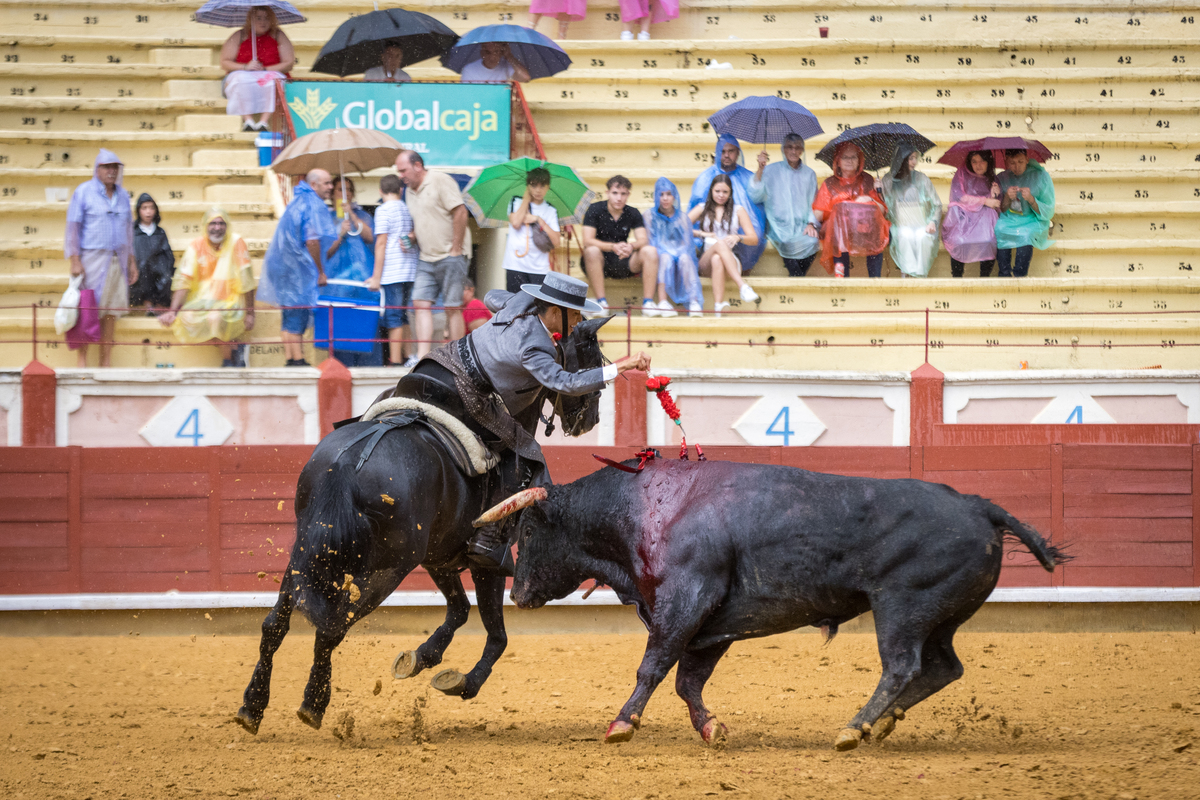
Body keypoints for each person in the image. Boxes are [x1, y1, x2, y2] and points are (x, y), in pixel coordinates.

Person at [391, 271, 650, 571]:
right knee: (529, 453)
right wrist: (621, 366)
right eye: (575, 314)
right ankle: (487, 539)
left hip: (440, 362)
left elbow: (491, 297)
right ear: (554, 312)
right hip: (469, 393)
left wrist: (512, 302)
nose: (578, 321)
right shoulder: (536, 346)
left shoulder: (522, 302)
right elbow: (564, 383)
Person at [64, 149, 138, 367]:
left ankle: (105, 362)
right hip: (91, 259)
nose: (112, 171)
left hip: (118, 259)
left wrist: (132, 261)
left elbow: (128, 231)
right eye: (107, 167)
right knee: (87, 309)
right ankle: (82, 361)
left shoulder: (123, 195)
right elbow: (73, 228)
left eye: (115, 167)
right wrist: (75, 260)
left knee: (111, 312)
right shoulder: (84, 192)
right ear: (97, 169)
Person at [396, 150, 471, 360]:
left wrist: (455, 248)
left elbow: (461, 211)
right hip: (426, 257)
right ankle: (422, 356)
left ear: (418, 165)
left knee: (452, 307)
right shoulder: (409, 190)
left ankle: (458, 357)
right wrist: (412, 237)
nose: (401, 175)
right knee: (419, 302)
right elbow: (425, 220)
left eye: (403, 170)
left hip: (451, 255)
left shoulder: (440, 180)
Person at [158, 208, 256, 367]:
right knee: (187, 318)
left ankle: (228, 360)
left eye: (221, 223)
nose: (217, 228)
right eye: (213, 223)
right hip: (203, 300)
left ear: (227, 225)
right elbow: (184, 280)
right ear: (205, 225)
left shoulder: (236, 242)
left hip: (230, 299)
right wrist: (172, 311)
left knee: (215, 318)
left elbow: (247, 280)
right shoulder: (196, 245)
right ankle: (235, 347)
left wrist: (251, 313)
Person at [259, 169, 336, 366]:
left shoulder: (297, 201)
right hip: (297, 271)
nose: (331, 187)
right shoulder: (312, 205)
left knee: (288, 314)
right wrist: (320, 271)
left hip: (282, 268)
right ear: (314, 185)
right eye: (326, 183)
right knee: (297, 312)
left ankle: (291, 358)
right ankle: (297, 359)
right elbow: (312, 241)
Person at [580, 175, 667, 317]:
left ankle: (648, 303)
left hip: (623, 259)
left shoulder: (632, 212)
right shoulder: (595, 209)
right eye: (615, 193)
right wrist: (612, 247)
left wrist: (631, 247)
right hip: (598, 261)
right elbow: (587, 240)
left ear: (628, 195)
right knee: (591, 250)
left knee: (650, 251)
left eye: (623, 194)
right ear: (607, 193)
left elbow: (643, 239)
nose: (619, 198)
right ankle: (601, 302)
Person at [322, 177, 382, 366]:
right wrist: (339, 233)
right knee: (341, 335)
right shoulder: (325, 218)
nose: (344, 194)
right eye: (340, 190)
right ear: (332, 194)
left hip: (361, 283)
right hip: (336, 285)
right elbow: (325, 252)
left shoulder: (363, 215)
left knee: (365, 330)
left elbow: (371, 237)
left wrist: (352, 217)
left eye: (348, 190)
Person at [688, 134, 767, 274]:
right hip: (711, 234)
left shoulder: (746, 175)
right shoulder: (706, 177)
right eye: (723, 151)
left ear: (737, 153)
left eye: (731, 151)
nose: (726, 155)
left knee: (756, 231)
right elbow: (695, 204)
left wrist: (760, 170)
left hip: (738, 227)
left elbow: (758, 195)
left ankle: (743, 270)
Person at [812, 142, 889, 277]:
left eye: (853, 157)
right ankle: (842, 276)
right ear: (838, 161)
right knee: (840, 227)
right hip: (837, 230)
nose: (849, 161)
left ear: (859, 160)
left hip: (863, 228)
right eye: (845, 157)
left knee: (877, 229)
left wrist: (871, 198)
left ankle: (875, 277)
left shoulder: (867, 180)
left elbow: (882, 211)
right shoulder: (829, 183)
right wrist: (841, 208)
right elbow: (818, 214)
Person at [748, 133, 820, 277]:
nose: (793, 151)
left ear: (802, 151)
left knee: (812, 242)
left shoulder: (809, 174)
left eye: (797, 147)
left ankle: (796, 278)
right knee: (786, 241)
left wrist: (811, 223)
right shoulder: (770, 171)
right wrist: (760, 169)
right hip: (778, 226)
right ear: (783, 149)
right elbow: (755, 195)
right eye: (789, 147)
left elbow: (815, 201)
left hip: (803, 225)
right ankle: (798, 279)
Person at [688, 175, 760, 317]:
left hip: (730, 261)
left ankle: (718, 305)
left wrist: (738, 237)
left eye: (725, 192)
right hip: (705, 261)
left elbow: (754, 239)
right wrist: (702, 233)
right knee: (717, 249)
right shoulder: (702, 208)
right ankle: (743, 286)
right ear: (711, 191)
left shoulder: (738, 210)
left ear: (730, 193)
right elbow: (679, 227)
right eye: (717, 191)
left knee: (717, 259)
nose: (721, 195)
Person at [369, 174, 419, 367]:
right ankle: (409, 357)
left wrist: (376, 276)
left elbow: (381, 243)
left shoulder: (383, 210)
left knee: (393, 316)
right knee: (404, 313)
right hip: (410, 270)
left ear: (380, 191)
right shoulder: (407, 208)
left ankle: (395, 360)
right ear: (401, 190)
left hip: (392, 272)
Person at [219, 6, 295, 132]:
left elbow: (289, 63)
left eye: (266, 18)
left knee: (273, 80)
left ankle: (263, 122)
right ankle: (248, 120)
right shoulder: (240, 35)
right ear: (250, 20)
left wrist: (266, 69)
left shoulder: (278, 35)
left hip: (268, 73)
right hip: (243, 73)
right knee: (240, 79)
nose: (263, 22)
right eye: (258, 18)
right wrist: (245, 67)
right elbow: (224, 62)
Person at [643, 177, 703, 317]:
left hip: (680, 256)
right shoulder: (648, 215)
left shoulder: (682, 217)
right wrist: (667, 251)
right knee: (665, 257)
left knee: (685, 258)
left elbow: (687, 244)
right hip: (661, 257)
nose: (665, 198)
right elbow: (649, 241)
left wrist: (678, 252)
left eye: (669, 194)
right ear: (656, 196)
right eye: (661, 194)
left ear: (674, 196)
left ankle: (694, 301)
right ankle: (663, 301)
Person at [881, 145, 942, 278]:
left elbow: (936, 204)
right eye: (910, 158)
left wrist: (932, 221)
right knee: (904, 236)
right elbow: (884, 205)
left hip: (921, 223)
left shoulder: (922, 179)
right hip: (898, 224)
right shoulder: (888, 180)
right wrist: (879, 190)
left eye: (915, 158)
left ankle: (919, 274)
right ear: (900, 160)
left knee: (923, 236)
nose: (914, 162)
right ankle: (907, 272)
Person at [995, 149, 1055, 278]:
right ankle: (1004, 274)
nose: (1016, 167)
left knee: (1026, 235)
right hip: (1009, 219)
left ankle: (1020, 274)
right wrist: (1006, 197)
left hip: (1031, 220)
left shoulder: (1041, 176)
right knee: (999, 229)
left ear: (1027, 159)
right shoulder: (1002, 178)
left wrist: (1031, 199)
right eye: (1012, 163)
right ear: (1006, 162)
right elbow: (1001, 209)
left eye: (1020, 162)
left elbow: (1048, 209)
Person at [942, 150, 1001, 278]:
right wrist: (985, 200)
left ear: (988, 162)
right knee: (958, 242)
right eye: (974, 161)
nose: (978, 165)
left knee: (989, 241)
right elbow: (958, 197)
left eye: (982, 161)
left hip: (984, 220)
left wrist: (994, 194)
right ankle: (957, 277)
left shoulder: (993, 179)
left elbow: (997, 205)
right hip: (963, 218)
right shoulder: (961, 173)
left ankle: (984, 278)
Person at [503, 167, 561, 294]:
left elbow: (556, 241)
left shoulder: (550, 209)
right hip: (515, 264)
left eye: (542, 186)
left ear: (548, 187)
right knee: (514, 304)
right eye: (534, 185)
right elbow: (516, 223)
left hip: (539, 268)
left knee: (537, 308)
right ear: (528, 186)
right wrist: (526, 199)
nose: (538, 190)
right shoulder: (516, 201)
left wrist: (538, 220)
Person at [129, 193, 175, 312]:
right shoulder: (133, 232)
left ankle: (160, 305)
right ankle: (147, 304)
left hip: (158, 271)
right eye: (144, 208)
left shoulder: (160, 232)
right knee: (144, 268)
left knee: (166, 276)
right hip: (139, 272)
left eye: (151, 208)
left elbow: (168, 255)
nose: (148, 212)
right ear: (138, 210)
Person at [460, 42, 532, 83]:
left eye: (496, 52)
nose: (492, 57)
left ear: (501, 53)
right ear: (482, 53)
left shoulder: (506, 65)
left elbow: (525, 78)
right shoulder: (469, 70)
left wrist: (509, 56)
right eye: (488, 52)